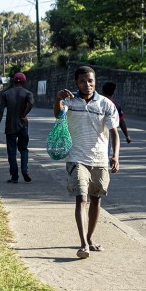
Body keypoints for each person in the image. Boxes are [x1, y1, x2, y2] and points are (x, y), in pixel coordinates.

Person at [54, 65, 119, 258]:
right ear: (76, 83)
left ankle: (90, 238)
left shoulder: (106, 104)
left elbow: (114, 132)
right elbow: (58, 116)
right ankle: (83, 244)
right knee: (81, 198)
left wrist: (115, 155)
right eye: (82, 81)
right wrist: (58, 99)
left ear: (95, 81)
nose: (87, 84)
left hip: (99, 159)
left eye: (90, 81)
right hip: (76, 158)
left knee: (96, 199)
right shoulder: (69, 101)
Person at [0, 72, 34, 182]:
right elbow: (31, 103)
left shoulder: (6, 94)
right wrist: (24, 115)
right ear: (24, 81)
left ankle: (14, 176)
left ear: (13, 81)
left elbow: (1, 111)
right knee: (24, 149)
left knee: (12, 152)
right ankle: (24, 170)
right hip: (23, 126)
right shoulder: (27, 93)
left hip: (10, 127)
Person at [101, 81, 132, 160]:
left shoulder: (96, 102)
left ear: (102, 91)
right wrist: (127, 136)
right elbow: (121, 122)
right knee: (104, 157)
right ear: (113, 92)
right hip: (106, 135)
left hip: (92, 133)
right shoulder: (116, 105)